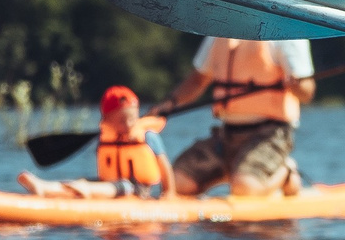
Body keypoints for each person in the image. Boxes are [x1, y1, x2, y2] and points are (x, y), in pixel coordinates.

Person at [166, 36, 316, 197]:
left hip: (270, 135)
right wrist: (167, 104)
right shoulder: (217, 32)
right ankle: (236, 172)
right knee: (176, 183)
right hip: (226, 134)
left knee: (244, 189)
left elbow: (307, 92)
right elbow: (197, 80)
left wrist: (298, 85)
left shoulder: (285, 34)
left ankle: (286, 172)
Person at [17, 85, 172, 199]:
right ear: (107, 121)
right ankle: (45, 188)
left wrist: (169, 193)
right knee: (82, 182)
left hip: (137, 190)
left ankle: (62, 190)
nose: (128, 125)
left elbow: (165, 166)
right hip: (109, 185)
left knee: (113, 186)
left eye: (132, 119)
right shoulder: (105, 137)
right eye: (121, 121)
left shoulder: (148, 136)